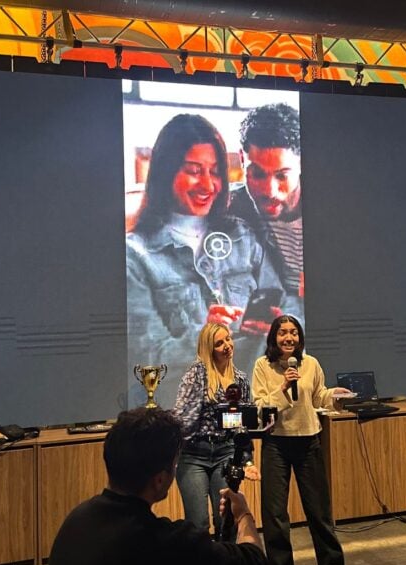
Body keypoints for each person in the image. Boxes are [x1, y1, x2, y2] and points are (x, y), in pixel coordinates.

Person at [126, 113, 283, 386]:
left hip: (255, 402)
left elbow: (286, 305)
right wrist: (205, 339)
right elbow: (146, 359)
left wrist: (281, 328)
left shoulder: (242, 236)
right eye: (194, 170)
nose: (208, 185)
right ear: (166, 172)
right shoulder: (135, 257)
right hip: (185, 415)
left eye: (214, 172)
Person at [48, 407, 266, 565]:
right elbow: (254, 560)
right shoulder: (168, 543)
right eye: (174, 465)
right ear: (160, 480)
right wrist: (243, 515)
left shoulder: (76, 520)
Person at [251, 315, 349, 565]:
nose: (289, 338)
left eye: (293, 332)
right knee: (275, 517)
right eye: (283, 332)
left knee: (320, 514)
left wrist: (335, 396)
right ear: (274, 337)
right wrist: (283, 388)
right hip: (276, 444)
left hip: (308, 441)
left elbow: (319, 396)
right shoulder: (263, 366)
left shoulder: (311, 364)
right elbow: (260, 407)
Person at [174, 322, 261, 536]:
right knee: (198, 524)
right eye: (219, 343)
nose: (227, 346)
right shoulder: (197, 373)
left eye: (228, 339)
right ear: (208, 348)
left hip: (226, 453)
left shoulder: (240, 378)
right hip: (194, 455)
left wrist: (247, 460)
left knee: (226, 521)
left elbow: (242, 427)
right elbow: (183, 416)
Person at [232, 103, 304, 301]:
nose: (269, 191)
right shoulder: (231, 209)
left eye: (282, 176)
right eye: (257, 174)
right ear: (241, 159)